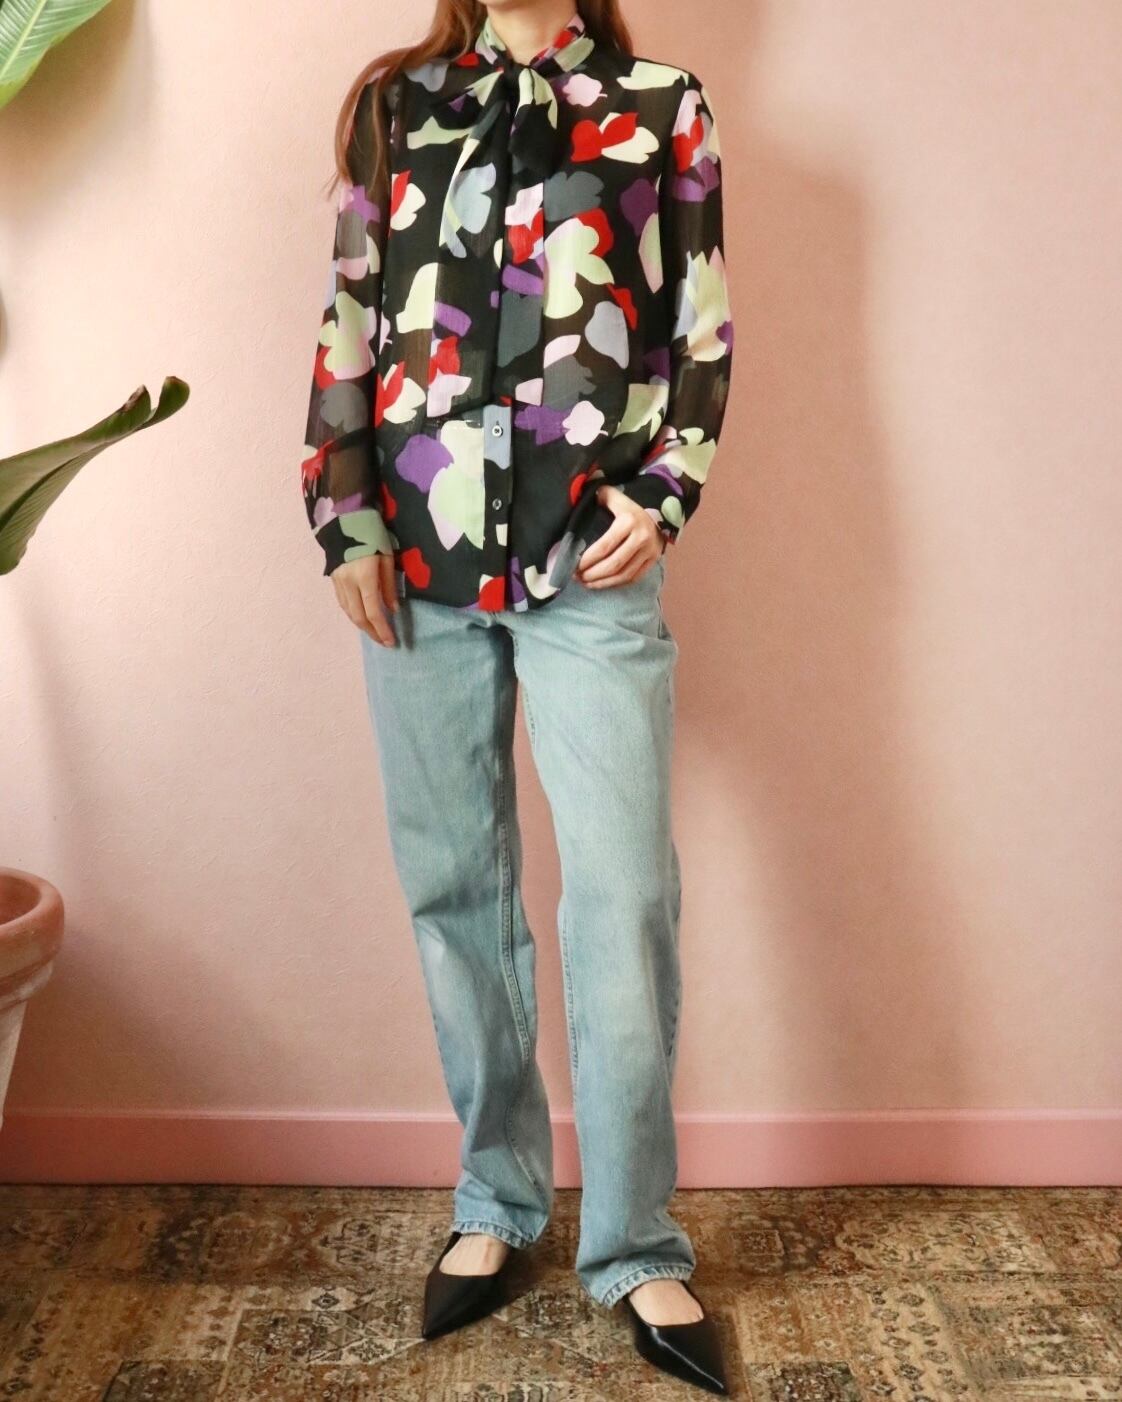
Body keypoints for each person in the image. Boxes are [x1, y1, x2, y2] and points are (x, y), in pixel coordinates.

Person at [300, 0, 733, 1391]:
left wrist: (663, 495)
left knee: (624, 894)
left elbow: (699, 329)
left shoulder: (661, 105)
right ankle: (495, 1196)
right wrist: (344, 523)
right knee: (453, 886)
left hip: (588, 556)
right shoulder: (395, 106)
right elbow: (349, 321)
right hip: (417, 553)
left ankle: (636, 1239)